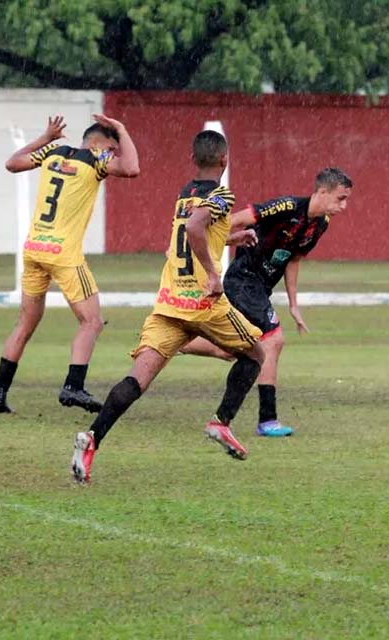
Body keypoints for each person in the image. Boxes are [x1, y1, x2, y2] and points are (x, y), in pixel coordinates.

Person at [71, 130, 265, 484]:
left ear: (194, 160)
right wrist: (213, 273)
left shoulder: (184, 194)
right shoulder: (222, 194)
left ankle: (91, 440)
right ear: (224, 160)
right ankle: (220, 422)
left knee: (137, 379)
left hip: (168, 302)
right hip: (203, 302)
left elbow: (190, 234)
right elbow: (195, 229)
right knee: (256, 355)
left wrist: (231, 238)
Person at [177, 168, 354, 437]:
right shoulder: (286, 207)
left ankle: (179, 341)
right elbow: (237, 218)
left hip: (260, 287)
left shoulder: (321, 224)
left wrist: (294, 304)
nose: (344, 205)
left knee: (234, 351)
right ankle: (267, 419)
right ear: (322, 192)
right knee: (273, 340)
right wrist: (214, 239)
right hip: (243, 279)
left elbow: (293, 260)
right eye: (340, 198)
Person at [0, 115, 140, 415]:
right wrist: (122, 127)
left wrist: (46, 137)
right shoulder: (96, 158)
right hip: (63, 253)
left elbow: (12, 163)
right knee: (92, 321)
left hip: (35, 248)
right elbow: (132, 168)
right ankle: (73, 386)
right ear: (103, 142)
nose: (116, 153)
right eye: (114, 146)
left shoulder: (53, 153)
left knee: (25, 324)